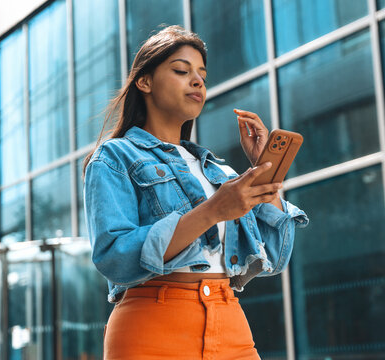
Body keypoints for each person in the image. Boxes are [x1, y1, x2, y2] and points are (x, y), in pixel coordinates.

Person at [83, 25, 309, 360]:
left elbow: (274, 258)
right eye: (181, 70)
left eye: (202, 74)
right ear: (144, 82)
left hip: (230, 322)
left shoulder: (219, 172)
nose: (197, 80)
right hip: (152, 326)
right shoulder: (115, 157)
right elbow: (115, 256)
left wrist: (266, 174)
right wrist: (213, 211)